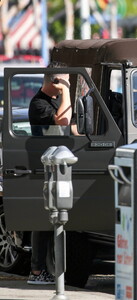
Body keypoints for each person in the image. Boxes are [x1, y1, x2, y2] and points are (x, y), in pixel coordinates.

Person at [27, 61, 72, 285]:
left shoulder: (54, 102)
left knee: (53, 219)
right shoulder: (39, 104)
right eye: (65, 79)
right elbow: (63, 121)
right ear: (55, 81)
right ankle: (36, 272)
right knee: (43, 222)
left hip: (56, 166)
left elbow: (71, 128)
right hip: (42, 166)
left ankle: (47, 269)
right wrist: (66, 91)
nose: (68, 83)